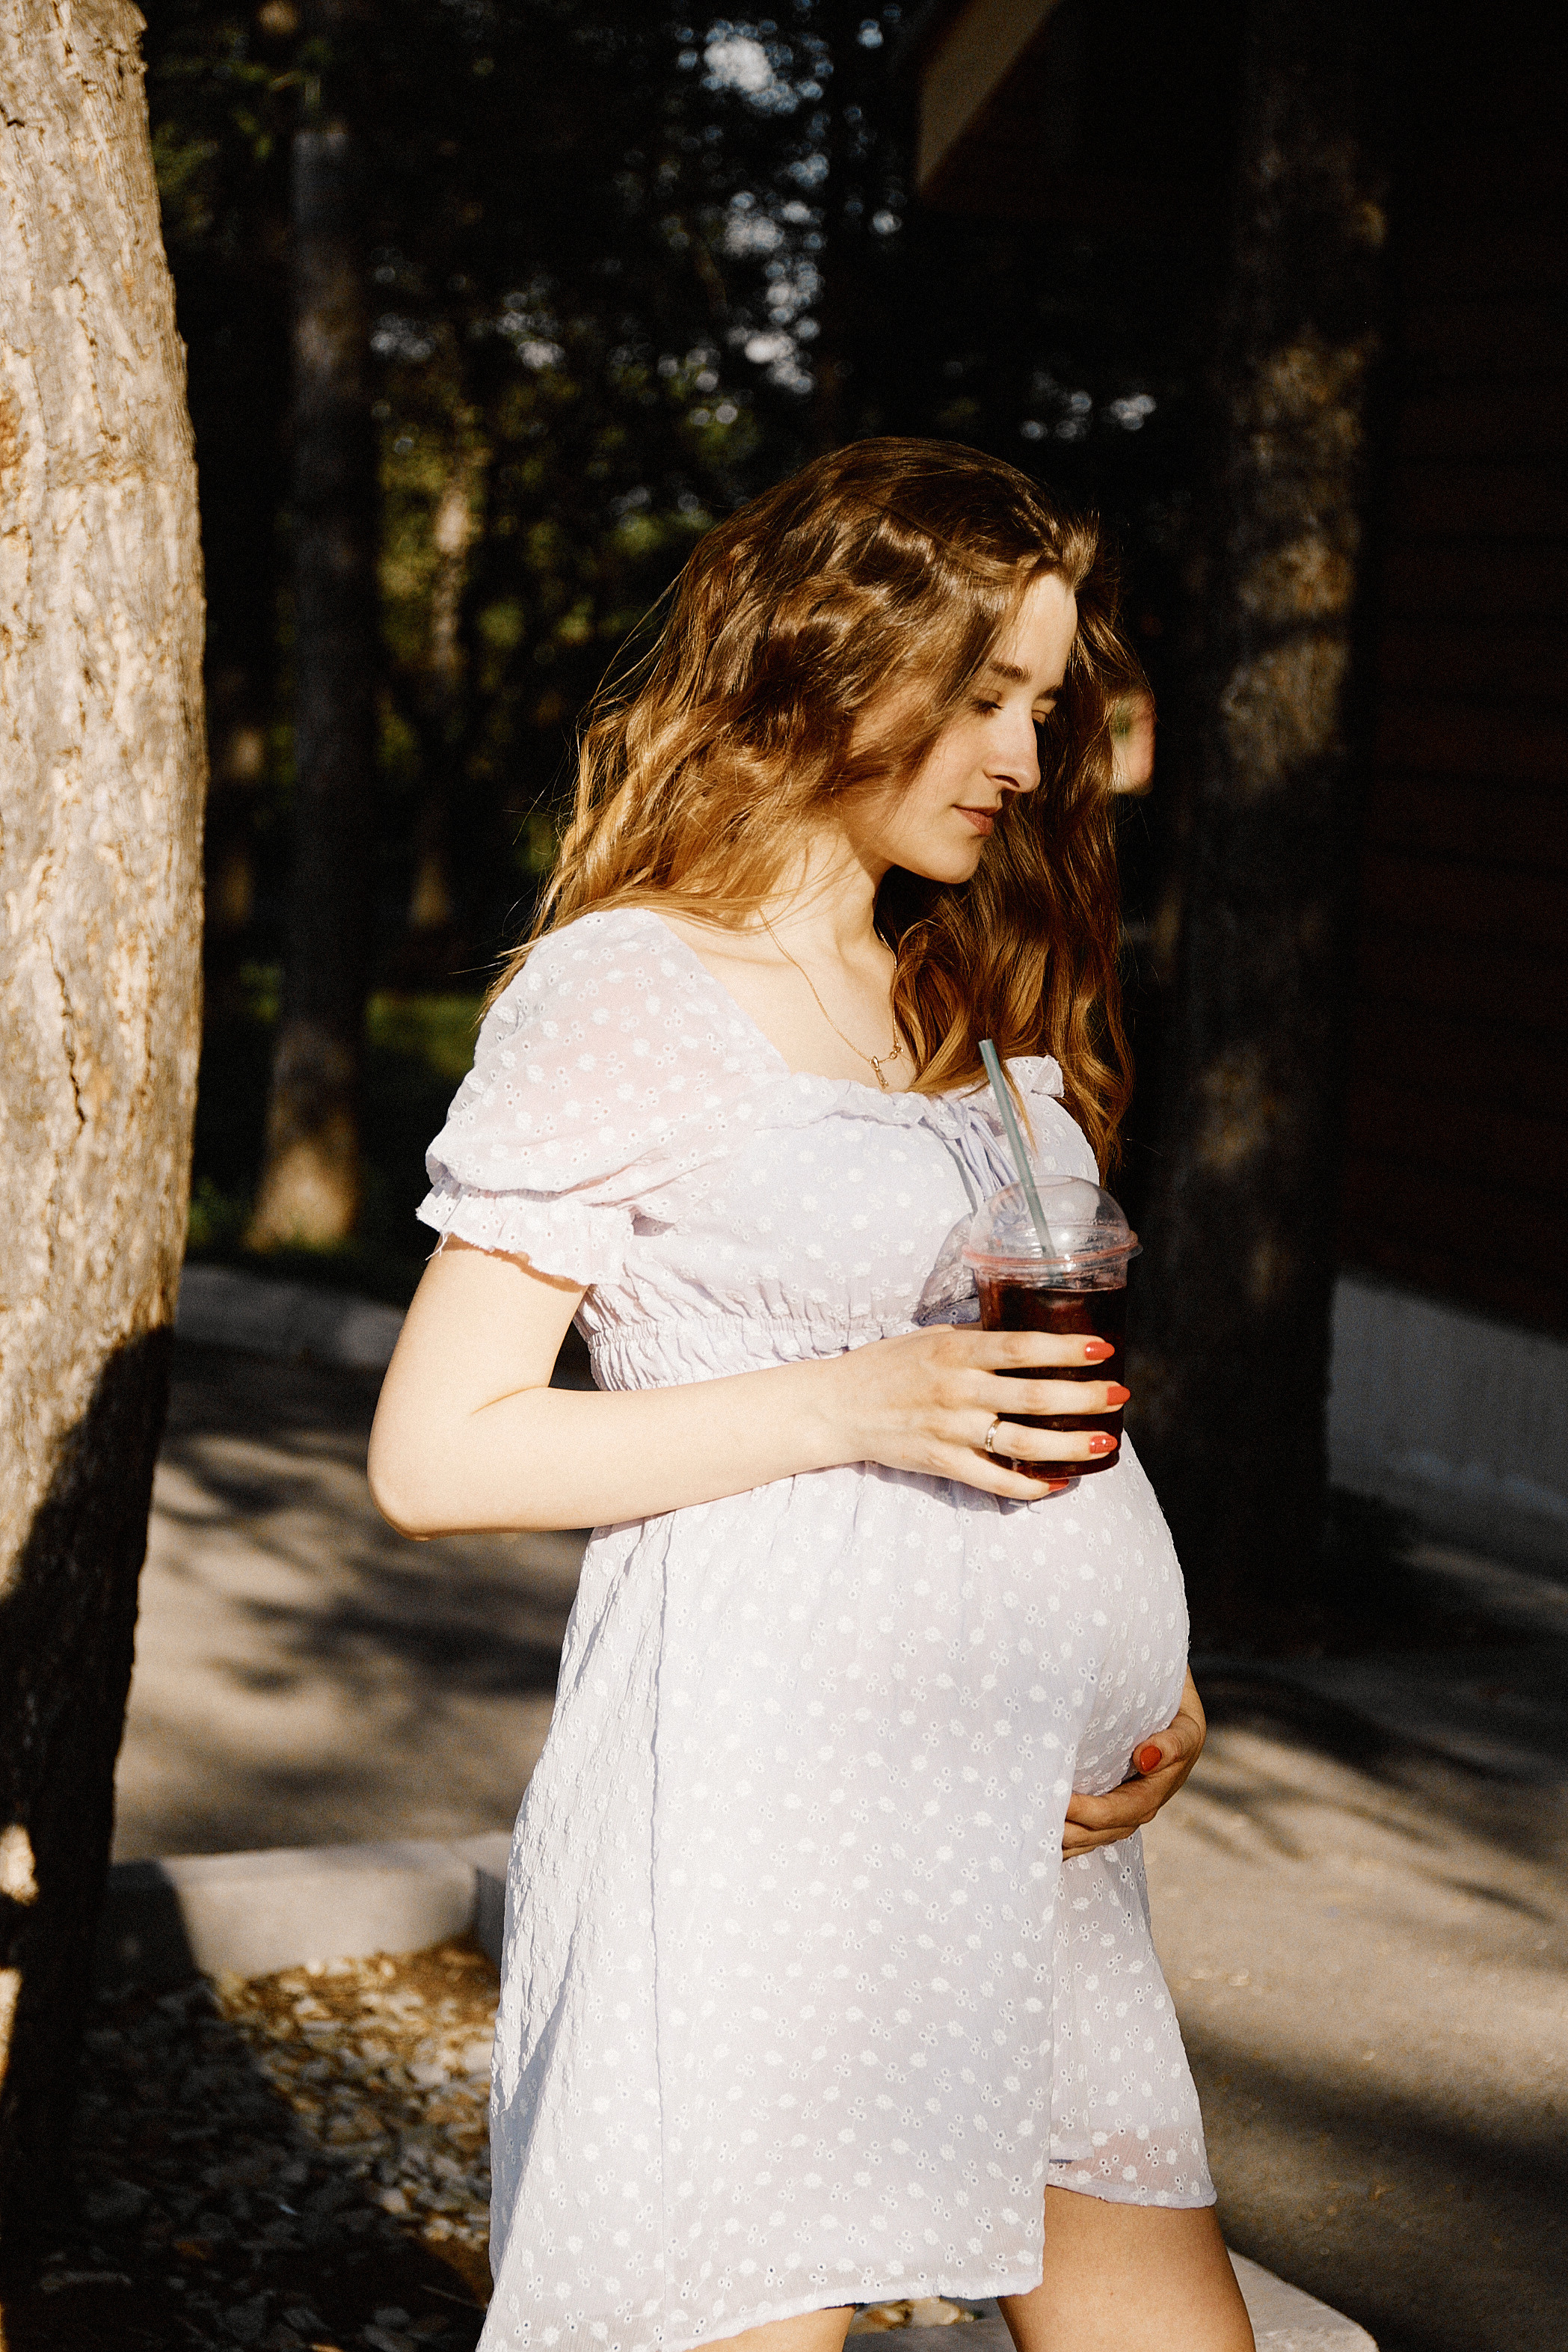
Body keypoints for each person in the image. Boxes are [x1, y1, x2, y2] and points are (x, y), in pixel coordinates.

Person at [369, 439, 1253, 2352]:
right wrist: (848, 1402)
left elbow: (1027, 1389)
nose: (1024, 757)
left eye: (1041, 703)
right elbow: (437, 1453)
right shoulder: (630, 990)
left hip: (1019, 1828)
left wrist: (1145, 1669)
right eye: (983, 695)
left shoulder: (954, 988)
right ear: (829, 665)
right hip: (761, 1806)